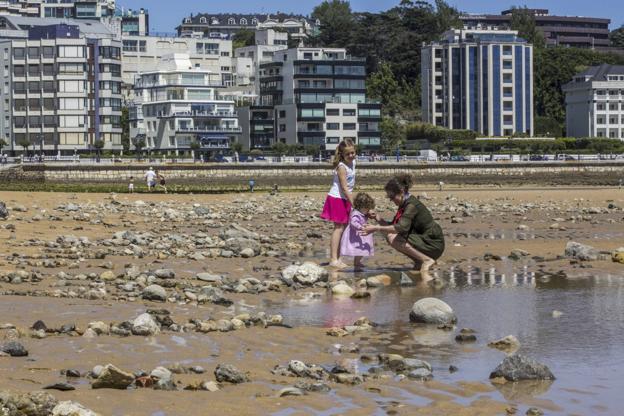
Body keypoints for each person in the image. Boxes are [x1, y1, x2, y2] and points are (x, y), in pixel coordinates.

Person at [361, 174, 445, 281]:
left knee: (392, 237)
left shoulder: (411, 205)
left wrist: (375, 228)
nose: (391, 200)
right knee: (389, 235)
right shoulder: (404, 204)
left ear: (401, 192)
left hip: (433, 242)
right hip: (425, 239)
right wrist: (378, 218)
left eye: (392, 197)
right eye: (389, 197)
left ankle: (426, 260)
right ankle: (419, 261)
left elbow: (399, 228)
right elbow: (394, 225)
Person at [320, 138, 356, 269]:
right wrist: (354, 203)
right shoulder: (341, 167)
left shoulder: (353, 163)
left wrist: (350, 201)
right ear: (342, 155)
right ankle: (333, 259)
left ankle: (340, 257)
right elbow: (344, 188)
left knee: (345, 228)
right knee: (338, 228)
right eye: (348, 154)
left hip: (346, 199)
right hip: (337, 198)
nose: (351, 156)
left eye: (353, 153)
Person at [340, 192, 375, 271]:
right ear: (361, 206)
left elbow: (365, 216)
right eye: (367, 208)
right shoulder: (356, 213)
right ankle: (356, 262)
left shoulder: (362, 213)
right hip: (356, 233)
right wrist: (360, 227)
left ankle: (357, 261)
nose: (368, 210)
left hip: (361, 234)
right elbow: (353, 222)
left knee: (363, 249)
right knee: (359, 248)